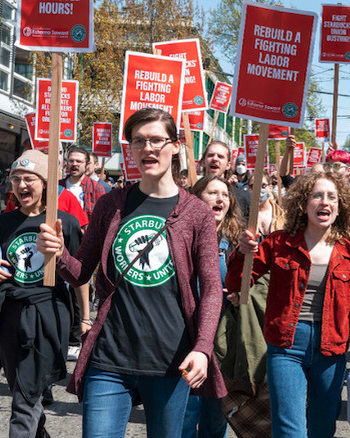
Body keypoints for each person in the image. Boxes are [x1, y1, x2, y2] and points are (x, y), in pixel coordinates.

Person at [36, 108, 227, 437]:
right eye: (138, 141)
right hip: (110, 356)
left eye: (156, 140)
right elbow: (80, 272)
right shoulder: (111, 204)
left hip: (171, 359)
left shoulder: (197, 213)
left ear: (176, 145)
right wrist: (57, 253)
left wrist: (202, 347)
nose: (147, 149)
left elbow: (211, 288)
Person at [225, 171, 350, 437]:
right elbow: (238, 283)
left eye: (332, 197)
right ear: (303, 204)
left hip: (331, 350)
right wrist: (242, 253)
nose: (324, 202)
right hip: (285, 346)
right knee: (289, 430)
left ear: (341, 206)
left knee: (322, 427)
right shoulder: (278, 243)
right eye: (317, 195)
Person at [0, 150, 83, 437]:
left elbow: (80, 274)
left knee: (25, 396)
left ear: (45, 182)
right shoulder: (4, 222)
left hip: (48, 313)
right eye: (16, 179)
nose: (21, 185)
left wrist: (84, 319)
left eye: (29, 179)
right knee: (20, 389)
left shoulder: (66, 223)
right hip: (9, 313)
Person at [183, 174, 244, 438]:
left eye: (224, 194)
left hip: (222, 337)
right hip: (185, 333)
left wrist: (243, 293)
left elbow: (259, 284)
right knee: (185, 412)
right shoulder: (182, 236)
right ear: (196, 199)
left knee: (216, 413)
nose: (219, 198)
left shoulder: (240, 243)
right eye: (211, 193)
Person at [201, 141, 250, 219]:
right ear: (203, 162)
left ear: (228, 165)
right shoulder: (190, 193)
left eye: (220, 156)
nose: (214, 159)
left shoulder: (239, 197)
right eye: (210, 155)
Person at [60, 147, 105, 222]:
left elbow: (102, 216)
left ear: (87, 164)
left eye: (78, 161)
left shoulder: (96, 188)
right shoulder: (58, 186)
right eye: (71, 161)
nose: (74, 164)